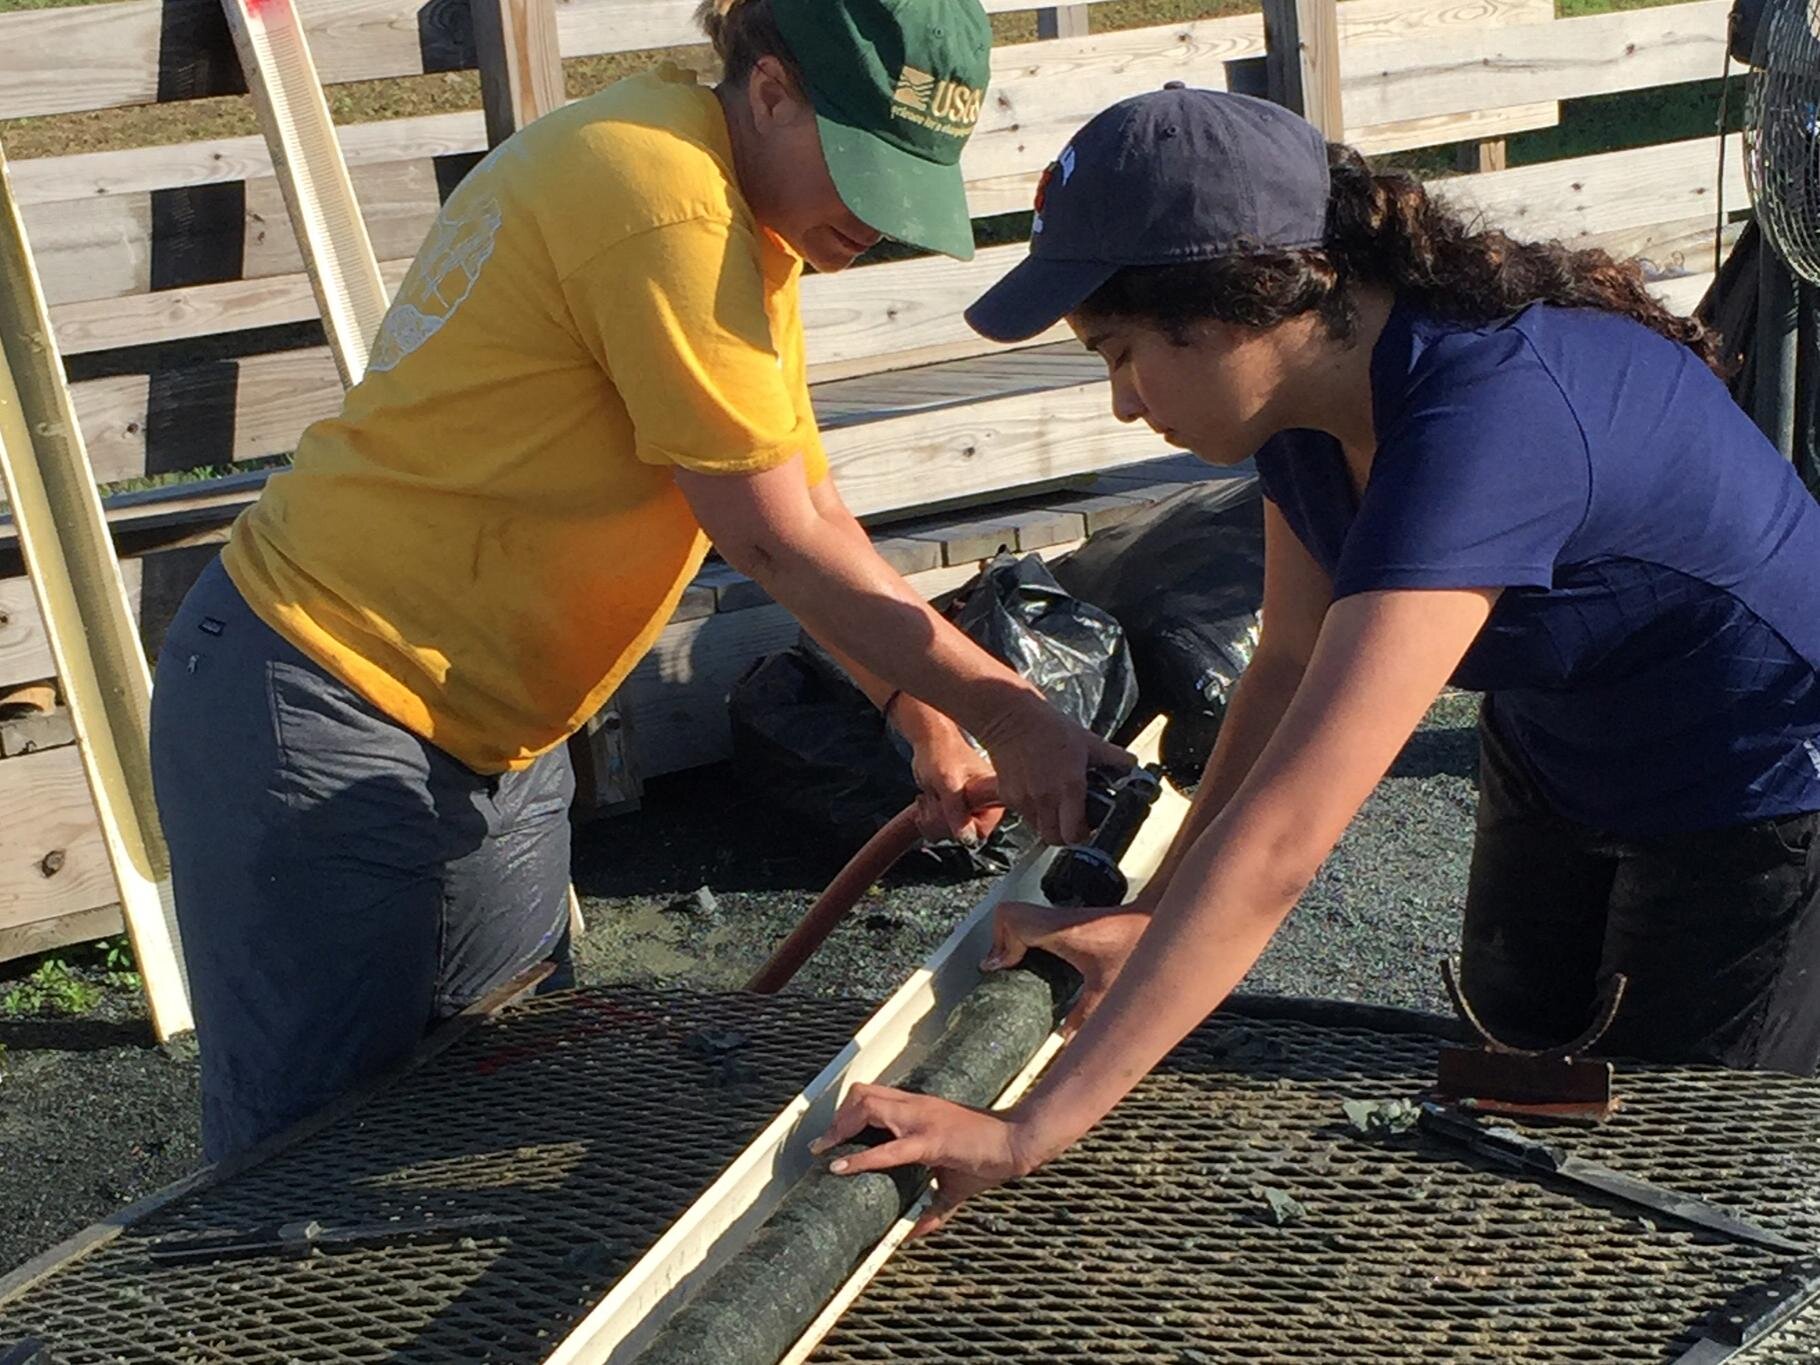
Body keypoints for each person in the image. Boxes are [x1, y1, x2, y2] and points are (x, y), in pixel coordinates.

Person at [812, 86, 1820, 1234]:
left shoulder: (1484, 421)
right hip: (1559, 724)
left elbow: (1288, 840)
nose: (1123, 402)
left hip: (1758, 773)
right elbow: (1284, 661)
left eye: (1125, 353)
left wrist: (1031, 1128)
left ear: (1244, 299)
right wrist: (1157, 910)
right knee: (1513, 1070)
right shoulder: (1305, 415)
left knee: (1670, 1153)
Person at [150, 0, 1128, 1162]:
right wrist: (1007, 711)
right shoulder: (658, 192)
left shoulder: (734, 218)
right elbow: (766, 538)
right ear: (769, 90)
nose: (878, 217)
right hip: (320, 690)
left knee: (501, 1106)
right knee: (306, 1157)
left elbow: (805, 505)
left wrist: (921, 716)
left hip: (488, 733)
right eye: (862, 164)